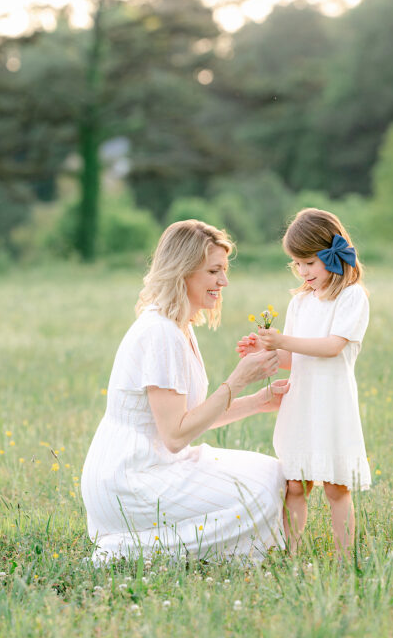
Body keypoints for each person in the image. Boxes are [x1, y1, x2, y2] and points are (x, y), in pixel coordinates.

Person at [81, 219, 288, 563]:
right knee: (258, 498)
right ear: (184, 272)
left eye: (223, 270)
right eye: (213, 271)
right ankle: (126, 550)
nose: (223, 281)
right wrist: (237, 381)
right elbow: (176, 436)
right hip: (131, 480)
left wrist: (259, 401)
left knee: (272, 475)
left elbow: (189, 418)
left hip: (160, 463)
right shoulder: (160, 334)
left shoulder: (179, 327)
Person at [238, 208, 370, 555]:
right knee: (295, 485)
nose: (302, 271)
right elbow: (293, 358)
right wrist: (263, 349)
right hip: (302, 403)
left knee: (336, 488)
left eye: (309, 262)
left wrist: (282, 340)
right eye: (297, 264)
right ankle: (291, 553)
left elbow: (331, 347)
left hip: (331, 403)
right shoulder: (300, 302)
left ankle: (345, 558)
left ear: (331, 253)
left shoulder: (351, 297)